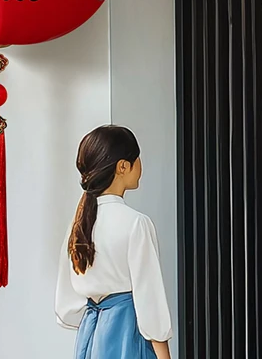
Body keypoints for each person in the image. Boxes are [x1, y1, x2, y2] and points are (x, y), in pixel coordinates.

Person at [56, 126, 172, 359]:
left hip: (91, 338)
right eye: (137, 158)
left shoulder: (77, 224)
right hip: (128, 336)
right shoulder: (136, 223)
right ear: (123, 166)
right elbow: (151, 306)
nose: (141, 166)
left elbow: (65, 308)